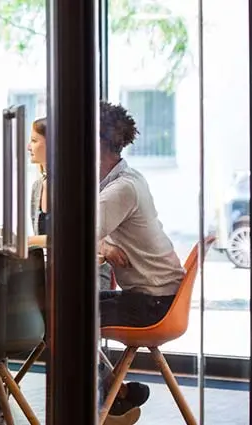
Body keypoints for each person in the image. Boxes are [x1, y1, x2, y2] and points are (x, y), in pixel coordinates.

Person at [95, 101, 185, 423]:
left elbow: (73, 236)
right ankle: (113, 394)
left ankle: (100, 402)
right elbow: (92, 233)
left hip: (153, 304)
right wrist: (104, 244)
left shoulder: (120, 189)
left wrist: (101, 246)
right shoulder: (127, 180)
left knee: (67, 319)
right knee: (71, 311)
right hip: (156, 297)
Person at [28, 117, 49, 248]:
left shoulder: (71, 187)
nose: (28, 147)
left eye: (34, 141)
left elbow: (69, 238)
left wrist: (24, 240)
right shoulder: (37, 186)